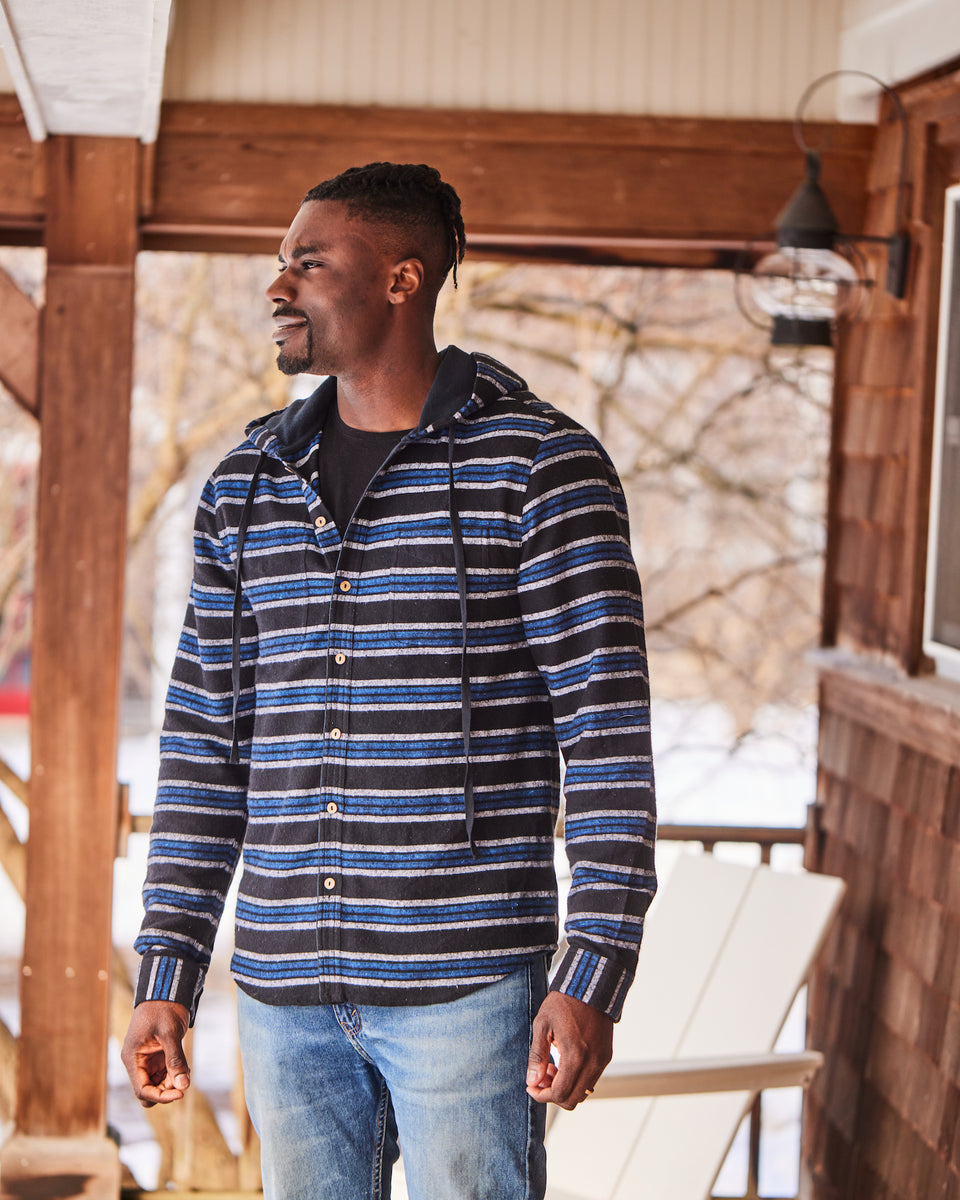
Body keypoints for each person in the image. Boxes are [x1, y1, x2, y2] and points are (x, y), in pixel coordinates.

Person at [122, 161, 656, 1200]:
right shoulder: (246, 485)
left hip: (467, 988)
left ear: (403, 280)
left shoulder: (540, 469)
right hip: (283, 992)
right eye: (281, 264)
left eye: (309, 263)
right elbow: (203, 742)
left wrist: (592, 971)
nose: (278, 287)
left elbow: (605, 740)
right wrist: (167, 969)